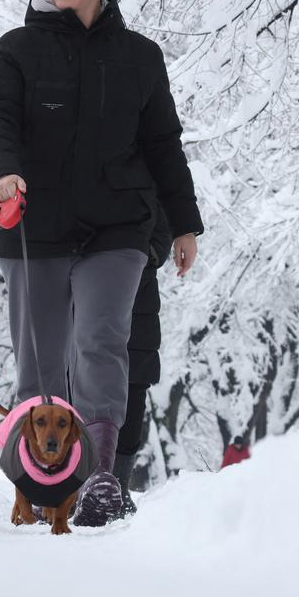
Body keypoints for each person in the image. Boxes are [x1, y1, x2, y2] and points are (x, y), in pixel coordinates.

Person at [0, 0, 203, 527]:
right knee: (42, 361)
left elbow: (163, 145)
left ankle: (99, 477)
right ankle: (36, 482)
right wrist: (3, 174)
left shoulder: (139, 58)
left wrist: (184, 224)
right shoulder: (15, 50)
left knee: (101, 341)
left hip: (117, 226)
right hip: (34, 225)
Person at [113, 206, 172, 518]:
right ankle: (85, 480)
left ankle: (119, 485)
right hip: (91, 281)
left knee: (134, 393)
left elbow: (165, 220)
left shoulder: (150, 171)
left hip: (141, 292)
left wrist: (148, 254)